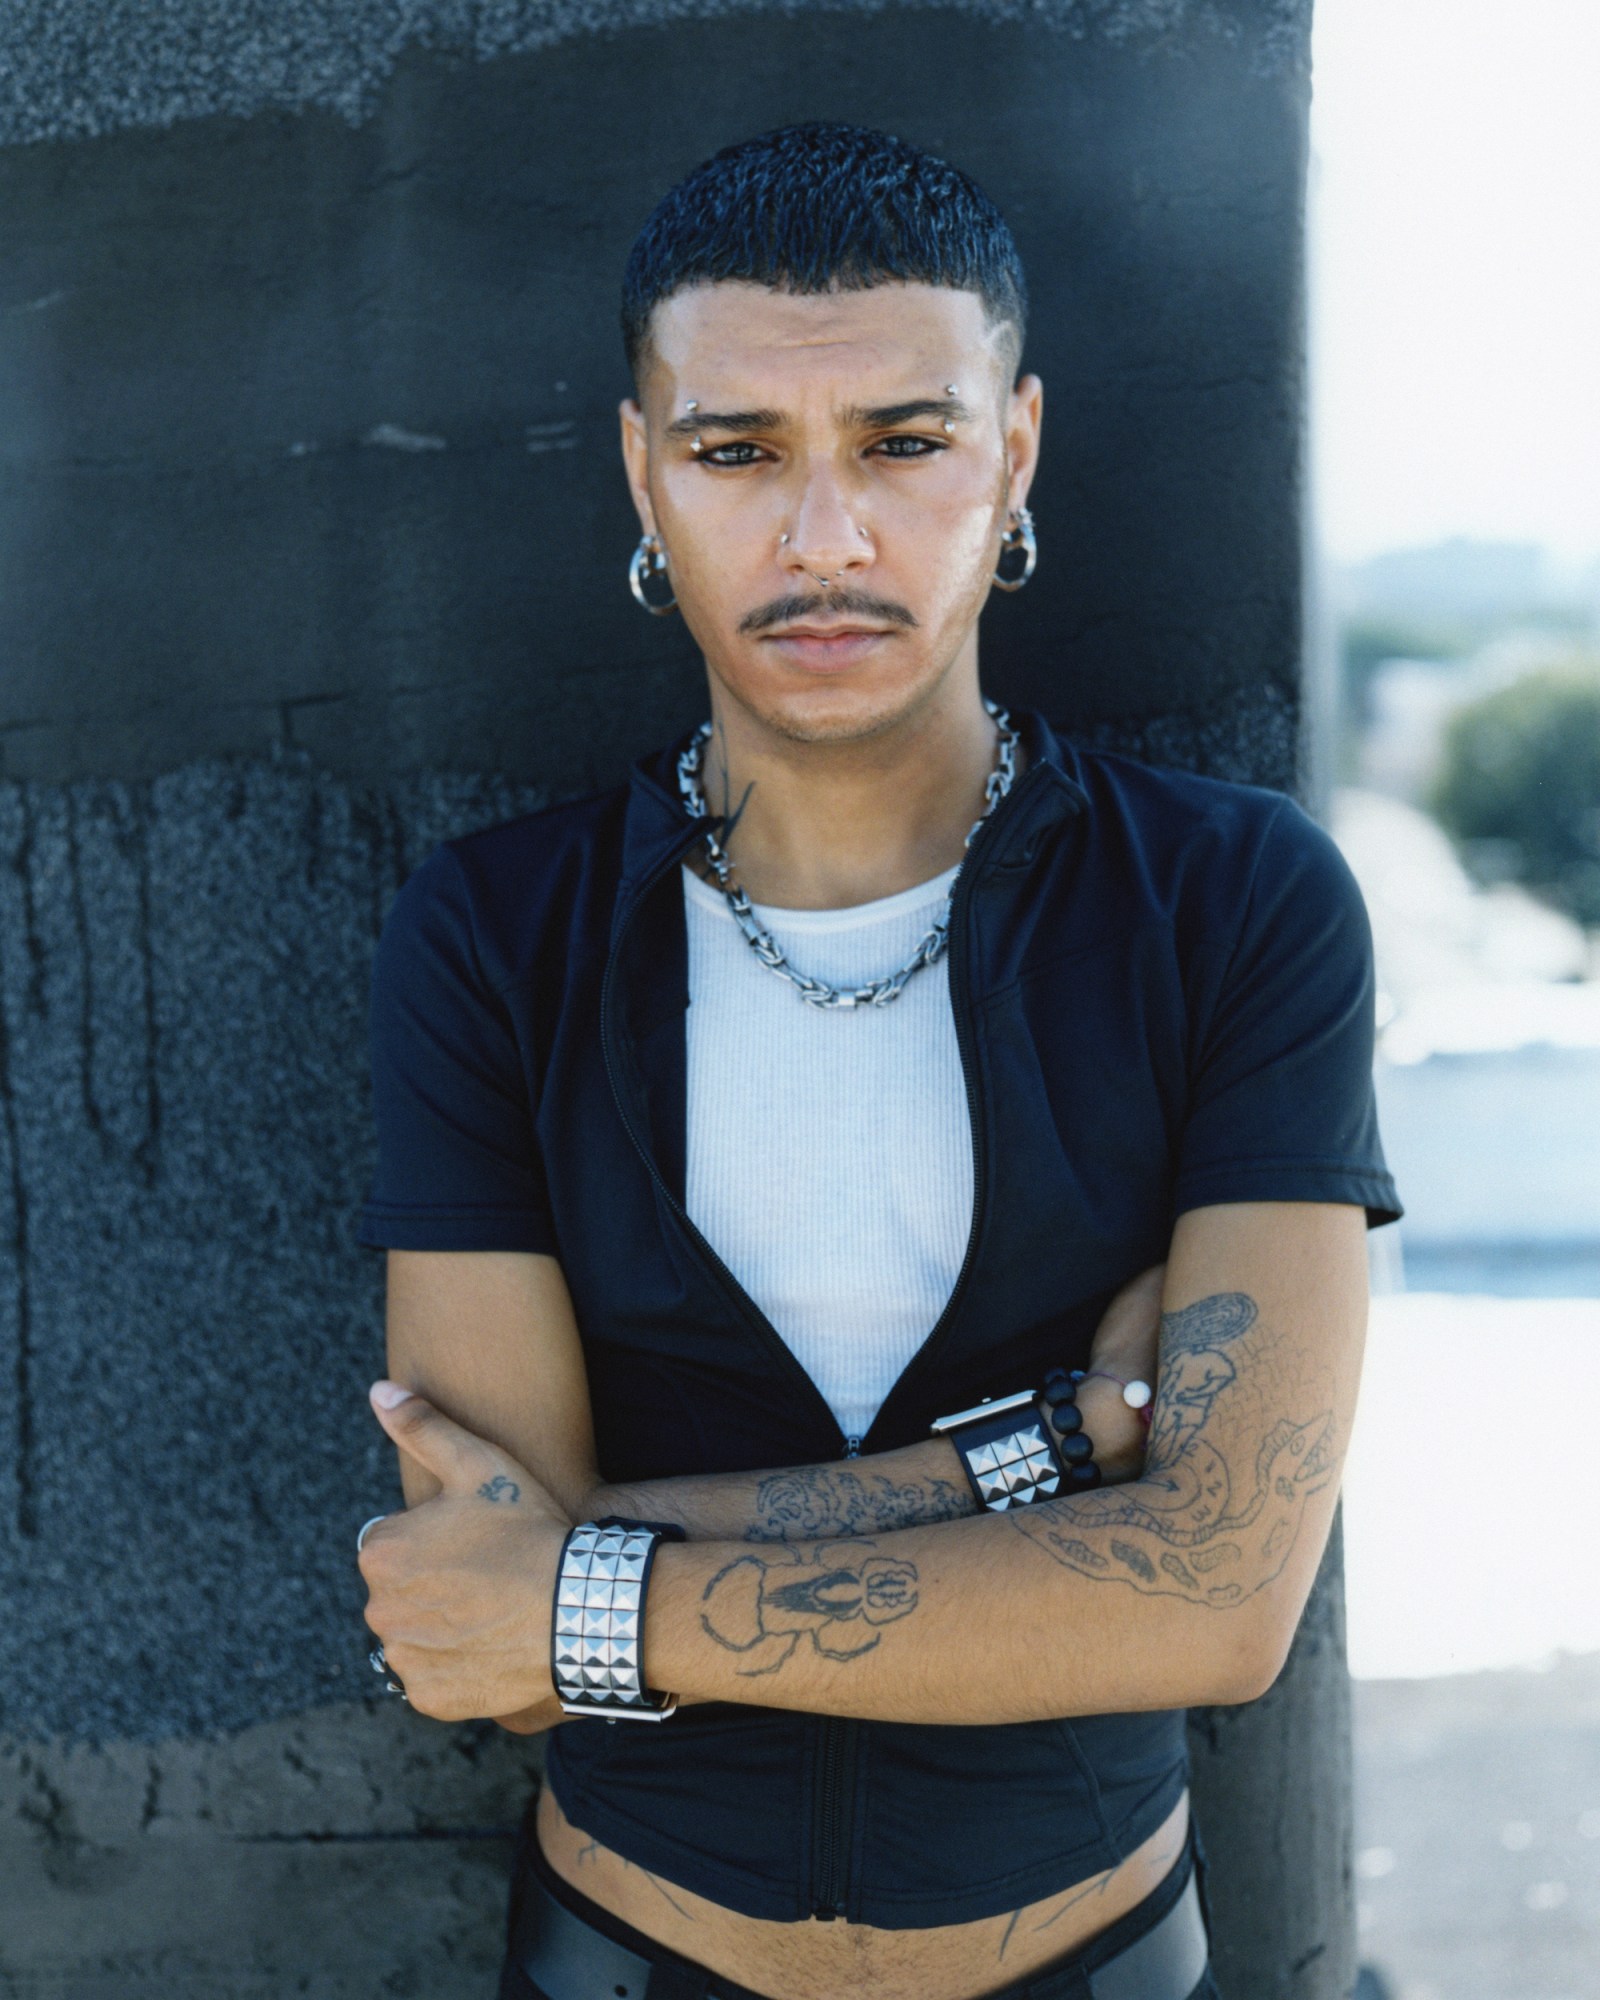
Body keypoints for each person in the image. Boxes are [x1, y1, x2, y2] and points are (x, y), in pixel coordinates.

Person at [355, 122, 1402, 2000]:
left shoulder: (1234, 905)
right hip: (624, 1960)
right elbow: (479, 1641)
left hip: (1092, 1965)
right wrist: (1060, 1453)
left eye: (905, 444)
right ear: (640, 475)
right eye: (735, 449)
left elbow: (1225, 1597)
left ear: (1011, 454)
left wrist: (596, 1593)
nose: (824, 538)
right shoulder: (492, 938)